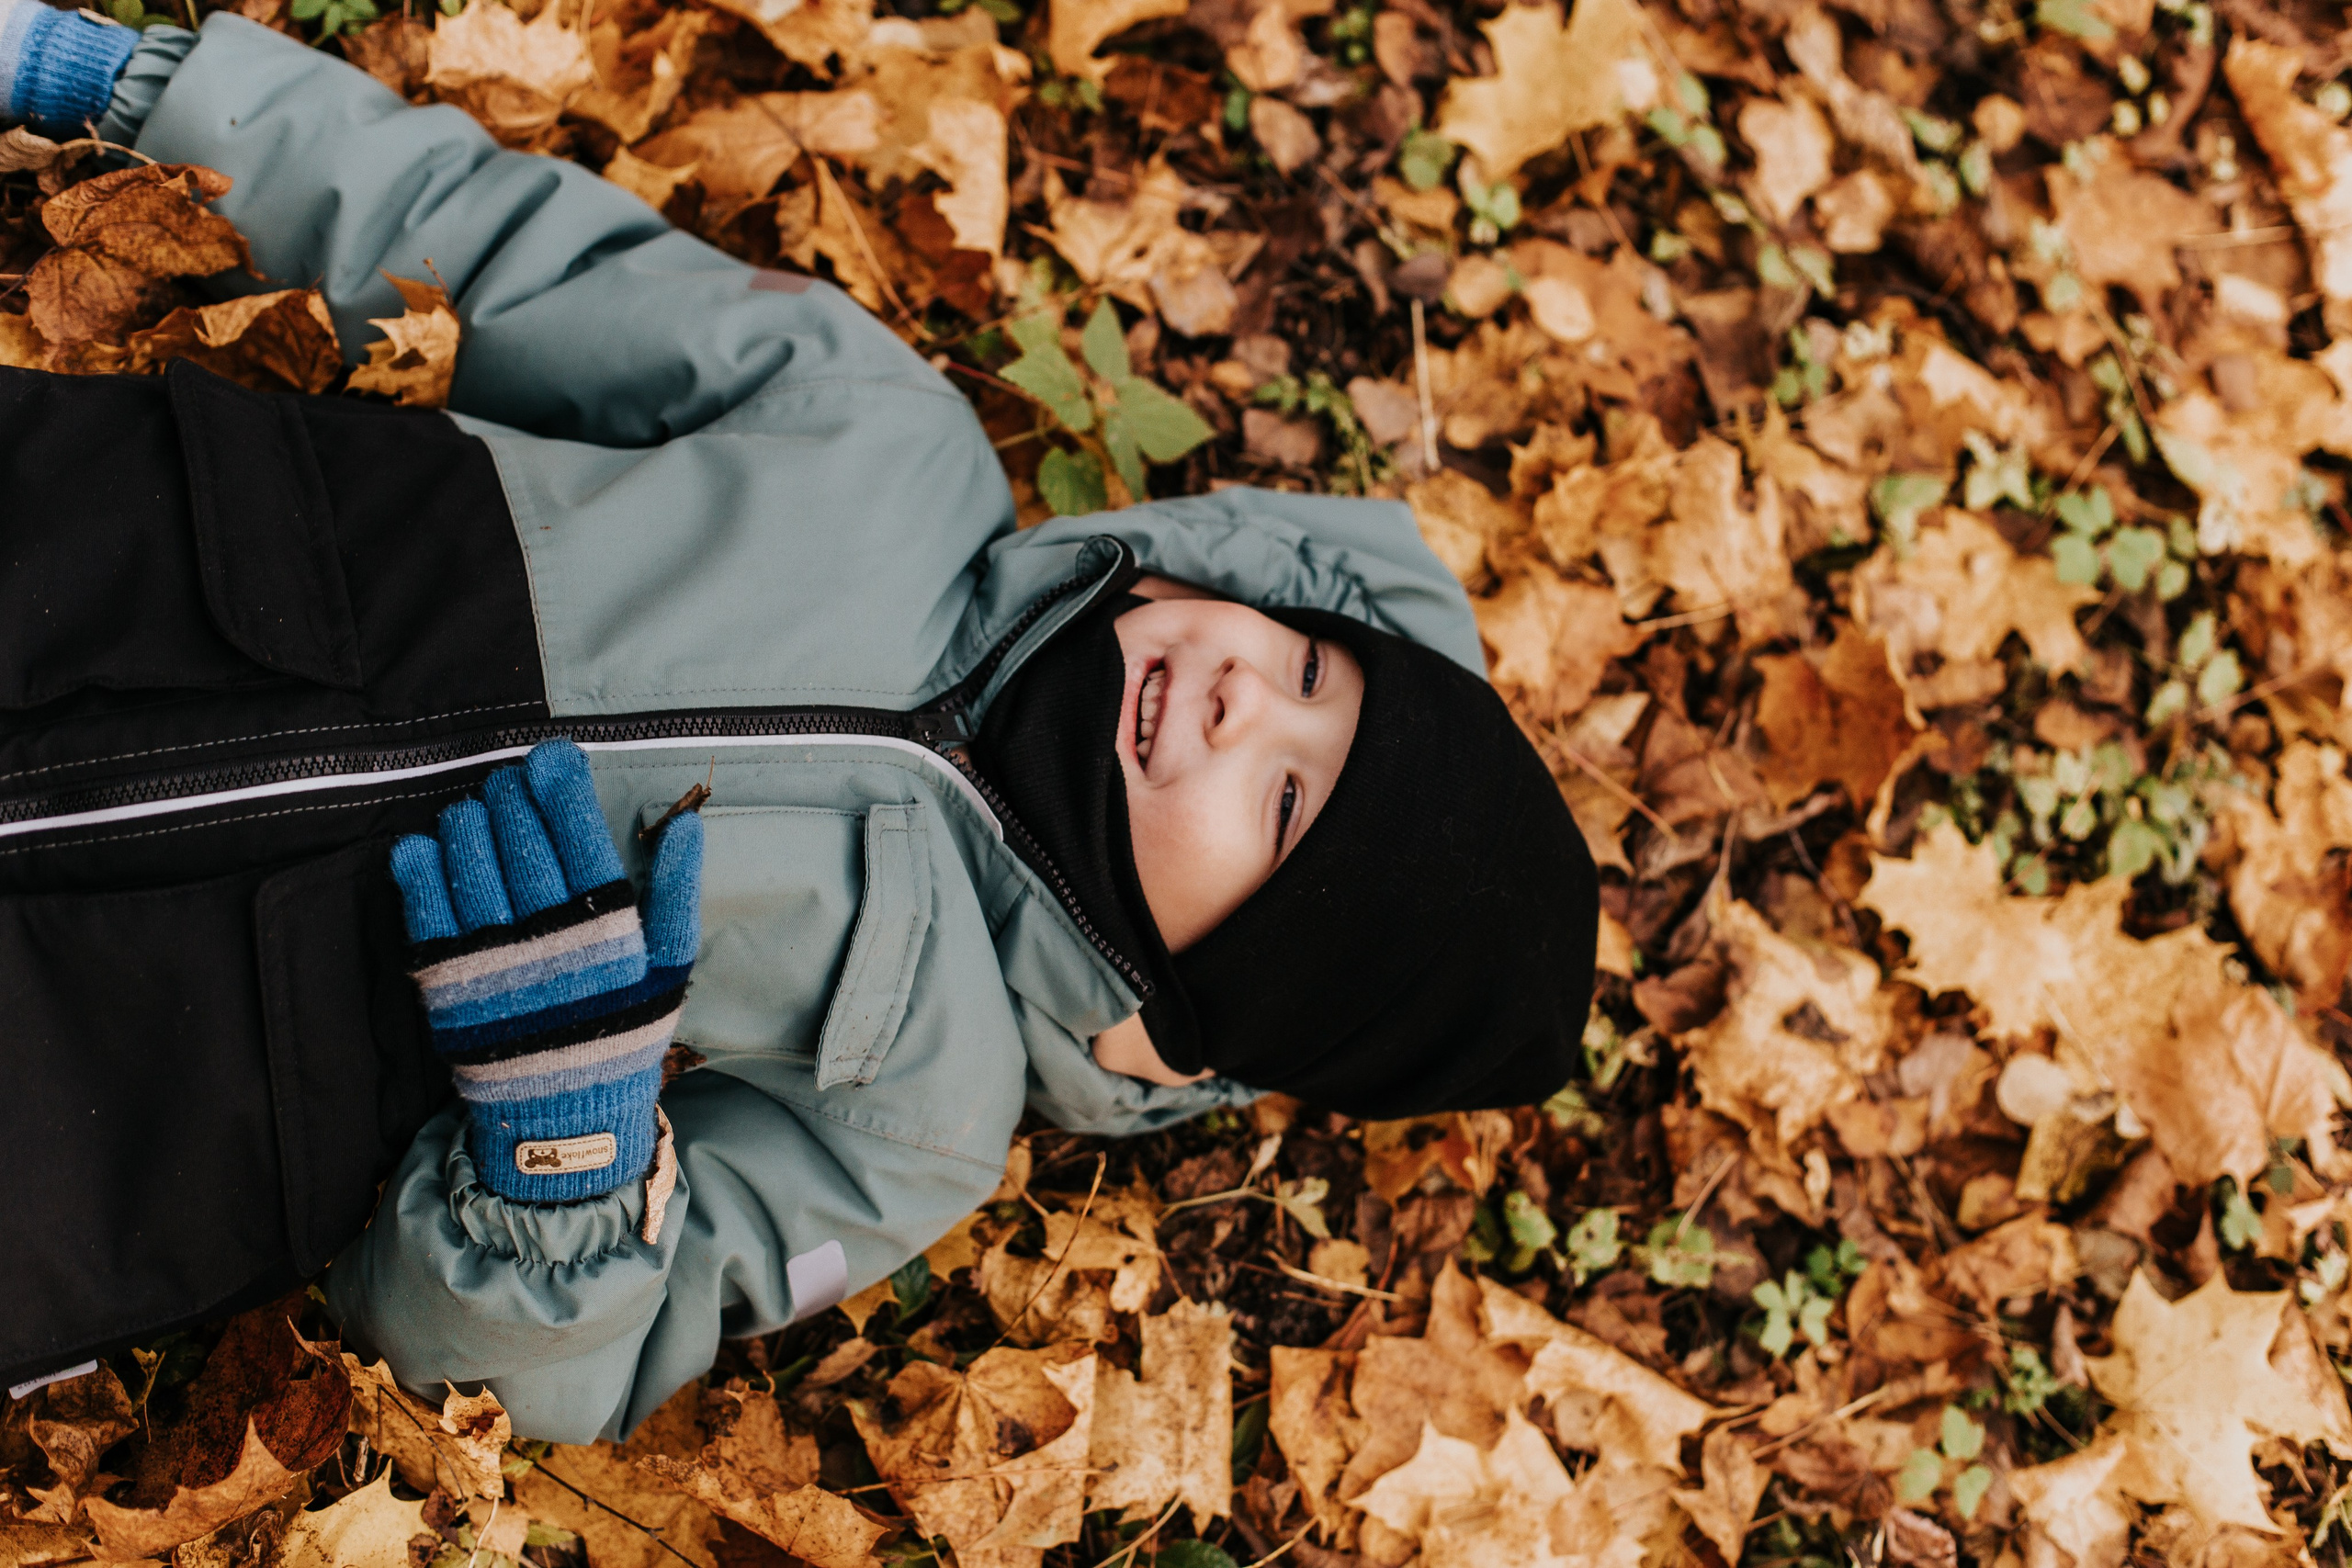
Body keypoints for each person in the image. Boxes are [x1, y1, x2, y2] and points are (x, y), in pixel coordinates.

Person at [0, 4, 1599, 1438]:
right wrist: (138, 95)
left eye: (1283, 802)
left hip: (151, 1070)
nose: (1251, 701)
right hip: (152, 567)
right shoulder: (888, 449)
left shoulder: (926, 1110)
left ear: (1217, 980)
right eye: (1311, 669)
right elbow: (505, 258)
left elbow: (540, 1376)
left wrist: (566, 1160)